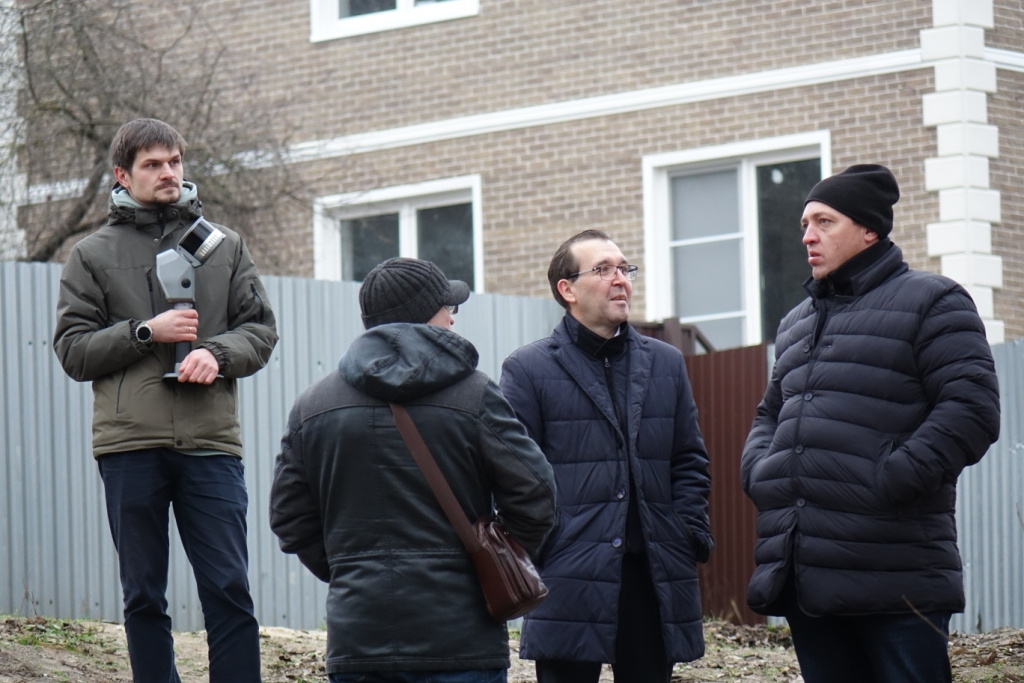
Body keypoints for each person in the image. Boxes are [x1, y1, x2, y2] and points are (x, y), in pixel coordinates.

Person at [740, 164, 1000, 683]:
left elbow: (971, 409)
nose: (808, 236)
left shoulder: (933, 300)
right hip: (805, 571)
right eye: (804, 224)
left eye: (824, 222)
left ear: (869, 229)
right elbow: (770, 412)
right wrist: (761, 472)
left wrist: (890, 478)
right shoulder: (795, 324)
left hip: (896, 570)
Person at [53, 118, 278, 682]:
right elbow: (73, 351)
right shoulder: (91, 254)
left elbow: (260, 331)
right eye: (152, 164)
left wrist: (217, 354)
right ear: (122, 174)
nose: (168, 173)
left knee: (229, 588)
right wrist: (145, 332)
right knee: (143, 593)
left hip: (211, 443)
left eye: (174, 161)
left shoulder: (225, 245)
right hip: (130, 446)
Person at [269, 257, 557, 683]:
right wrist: (494, 555)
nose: (452, 318)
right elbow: (536, 494)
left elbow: (290, 519)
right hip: (461, 640)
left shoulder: (312, 406)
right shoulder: (475, 394)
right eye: (447, 308)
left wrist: (350, 569)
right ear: (424, 314)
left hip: (359, 640)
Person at [498, 230, 713, 683]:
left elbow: (689, 460)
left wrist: (686, 531)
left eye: (624, 268)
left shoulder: (666, 363)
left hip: (652, 574)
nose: (621, 279)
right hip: (568, 575)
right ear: (567, 289)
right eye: (603, 269)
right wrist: (548, 547)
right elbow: (514, 474)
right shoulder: (528, 368)